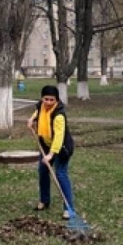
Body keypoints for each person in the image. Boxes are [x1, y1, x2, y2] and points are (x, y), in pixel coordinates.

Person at [27, 85, 76, 219]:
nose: (48, 103)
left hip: (62, 148)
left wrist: (51, 154)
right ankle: (44, 200)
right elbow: (38, 112)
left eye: (51, 100)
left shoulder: (59, 114)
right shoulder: (40, 106)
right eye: (46, 99)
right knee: (42, 171)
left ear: (57, 100)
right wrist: (32, 119)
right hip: (46, 145)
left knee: (61, 174)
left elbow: (59, 137)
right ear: (42, 98)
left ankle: (68, 208)